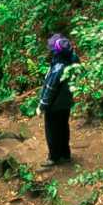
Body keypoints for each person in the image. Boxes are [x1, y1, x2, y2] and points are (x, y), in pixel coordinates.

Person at [38, 33, 78, 167]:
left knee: (52, 131)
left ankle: (54, 157)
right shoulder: (72, 58)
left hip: (54, 105)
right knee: (63, 127)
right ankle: (65, 154)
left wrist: (42, 106)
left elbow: (50, 89)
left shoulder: (58, 67)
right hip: (67, 101)